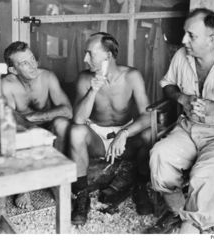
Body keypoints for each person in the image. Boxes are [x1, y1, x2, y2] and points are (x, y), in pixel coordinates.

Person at [147, 8, 214, 234]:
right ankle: (178, 214)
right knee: (160, 156)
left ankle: (192, 227)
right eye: (184, 34)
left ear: (212, 39)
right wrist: (182, 97)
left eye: (191, 35)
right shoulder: (182, 56)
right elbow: (168, 84)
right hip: (189, 128)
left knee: (204, 173)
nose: (183, 40)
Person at [69, 32, 153, 226]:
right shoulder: (84, 78)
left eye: (90, 53)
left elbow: (148, 115)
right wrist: (93, 90)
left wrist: (125, 133)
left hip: (125, 134)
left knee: (150, 134)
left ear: (108, 55)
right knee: (75, 132)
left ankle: (140, 186)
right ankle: (82, 196)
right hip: (97, 135)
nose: (85, 59)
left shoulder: (131, 76)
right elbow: (79, 119)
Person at [2, 41, 72, 209]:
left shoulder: (47, 77)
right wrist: (28, 122)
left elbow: (68, 111)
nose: (33, 65)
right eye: (25, 63)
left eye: (32, 58)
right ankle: (24, 185)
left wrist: (32, 116)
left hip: (49, 128)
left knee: (62, 124)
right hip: (24, 130)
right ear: (13, 69)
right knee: (12, 131)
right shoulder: (7, 84)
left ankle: (57, 179)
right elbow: (9, 119)